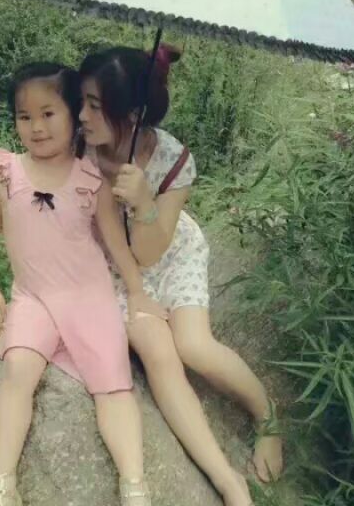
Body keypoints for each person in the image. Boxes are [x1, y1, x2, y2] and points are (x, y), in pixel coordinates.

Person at [78, 45, 284, 506]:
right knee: (159, 354)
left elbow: (152, 249)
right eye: (81, 101)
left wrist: (144, 202)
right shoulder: (81, 151)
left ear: (132, 114)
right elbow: (115, 246)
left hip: (168, 252)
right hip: (116, 268)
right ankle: (228, 481)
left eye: (94, 105)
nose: (82, 115)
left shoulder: (173, 158)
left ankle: (266, 415)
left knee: (194, 347)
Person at [0, 62, 153, 506]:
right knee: (17, 369)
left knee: (112, 384)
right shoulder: (5, 173)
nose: (36, 127)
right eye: (25, 116)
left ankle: (134, 484)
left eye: (48, 114)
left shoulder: (90, 181)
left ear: (74, 115)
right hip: (33, 297)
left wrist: (137, 292)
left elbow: (115, 244)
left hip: (88, 297)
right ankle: (1, 481)